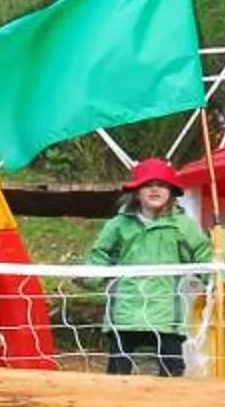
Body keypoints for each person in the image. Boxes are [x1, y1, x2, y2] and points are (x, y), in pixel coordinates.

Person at [87, 158, 211, 376]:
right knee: (118, 371)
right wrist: (90, 276)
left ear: (171, 192)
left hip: (166, 313)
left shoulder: (183, 225)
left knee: (171, 370)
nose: (155, 189)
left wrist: (215, 280)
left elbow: (202, 254)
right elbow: (101, 253)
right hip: (125, 310)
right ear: (136, 192)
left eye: (161, 185)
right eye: (147, 184)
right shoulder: (119, 224)